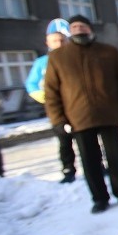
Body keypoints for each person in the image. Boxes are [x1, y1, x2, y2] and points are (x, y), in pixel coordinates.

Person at [44, 15, 118, 214]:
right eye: (74, 26)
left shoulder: (108, 52)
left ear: (90, 29)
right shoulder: (58, 57)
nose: (79, 29)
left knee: (115, 156)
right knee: (89, 160)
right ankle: (99, 198)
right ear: (70, 31)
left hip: (109, 113)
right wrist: (58, 119)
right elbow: (51, 91)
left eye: (82, 26)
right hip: (78, 117)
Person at [25, 18, 76, 182]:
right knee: (64, 142)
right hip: (57, 110)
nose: (59, 43)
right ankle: (68, 170)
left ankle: (99, 166)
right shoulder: (42, 63)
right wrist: (47, 99)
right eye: (55, 40)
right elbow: (31, 84)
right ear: (48, 42)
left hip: (78, 107)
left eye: (62, 40)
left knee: (88, 140)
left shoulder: (76, 59)